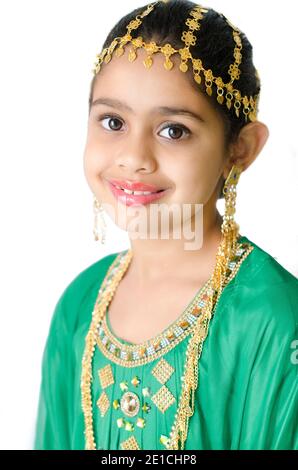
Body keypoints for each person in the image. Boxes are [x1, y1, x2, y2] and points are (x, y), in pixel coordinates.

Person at [34, 0, 298, 450]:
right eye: (113, 122)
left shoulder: (272, 321)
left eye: (173, 130)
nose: (133, 157)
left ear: (241, 148)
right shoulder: (79, 306)